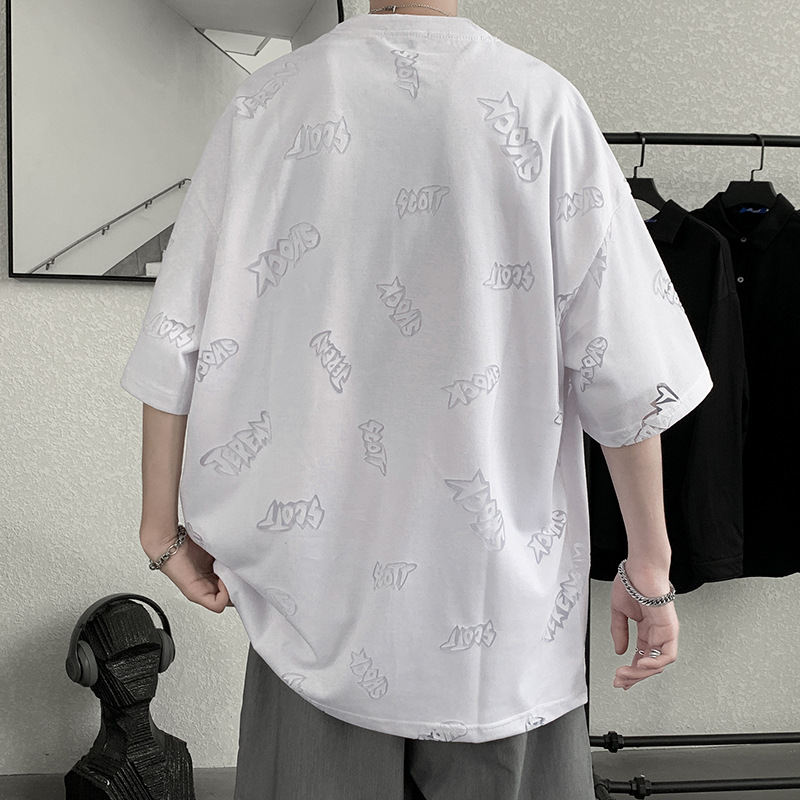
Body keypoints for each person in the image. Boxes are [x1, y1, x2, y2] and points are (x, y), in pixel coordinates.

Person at [123, 2, 712, 797]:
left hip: (314, 607)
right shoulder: (543, 106)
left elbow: (178, 334)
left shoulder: (267, 104)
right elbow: (626, 369)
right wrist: (649, 567)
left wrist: (161, 526)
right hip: (496, 628)